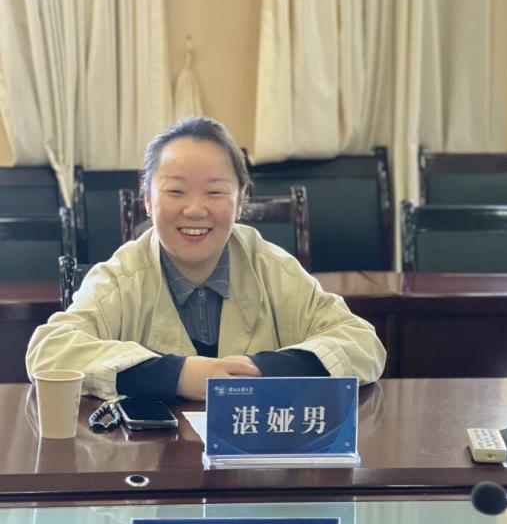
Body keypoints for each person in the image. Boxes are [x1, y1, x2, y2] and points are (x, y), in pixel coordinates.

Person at [26, 117, 386, 401]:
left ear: (241, 201)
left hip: (256, 459)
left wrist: (264, 370)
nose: (195, 209)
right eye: (175, 191)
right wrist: (177, 375)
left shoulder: (270, 266)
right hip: (152, 460)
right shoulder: (121, 276)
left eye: (215, 192)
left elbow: (363, 344)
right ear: (148, 200)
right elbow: (48, 352)